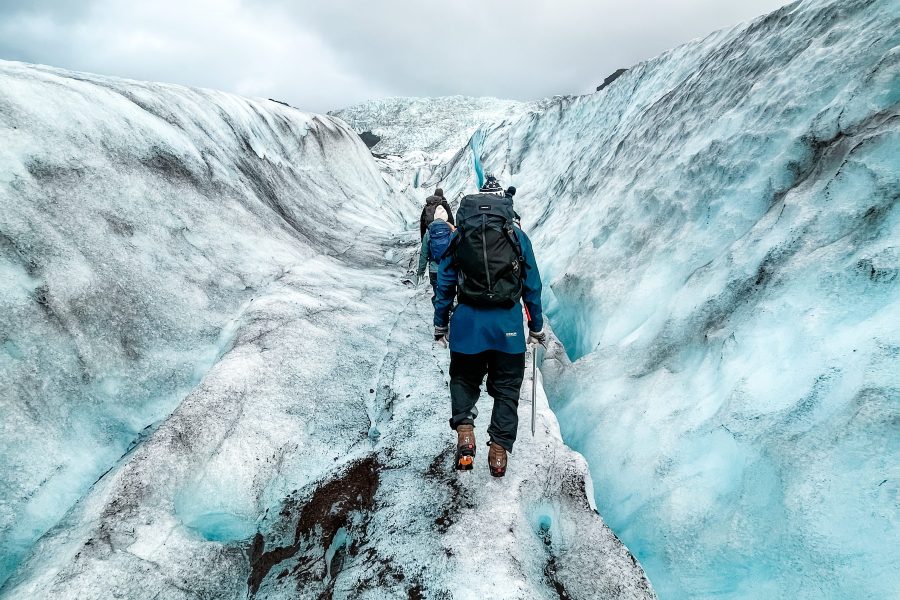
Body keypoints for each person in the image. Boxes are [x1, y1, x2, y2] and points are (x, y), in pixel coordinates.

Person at [433, 175, 545, 477]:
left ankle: (466, 430)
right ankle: (498, 451)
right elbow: (532, 285)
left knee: (463, 379)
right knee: (507, 390)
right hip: (507, 330)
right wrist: (536, 326)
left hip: (468, 328)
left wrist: (440, 323)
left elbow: (444, 283)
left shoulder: (461, 236)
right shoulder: (517, 237)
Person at [417, 205, 455, 297]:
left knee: (438, 295)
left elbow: (424, 255)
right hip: (449, 269)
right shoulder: (451, 231)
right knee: (449, 294)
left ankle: (439, 309)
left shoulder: (429, 232)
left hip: (434, 270)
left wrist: (421, 271)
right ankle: (449, 309)